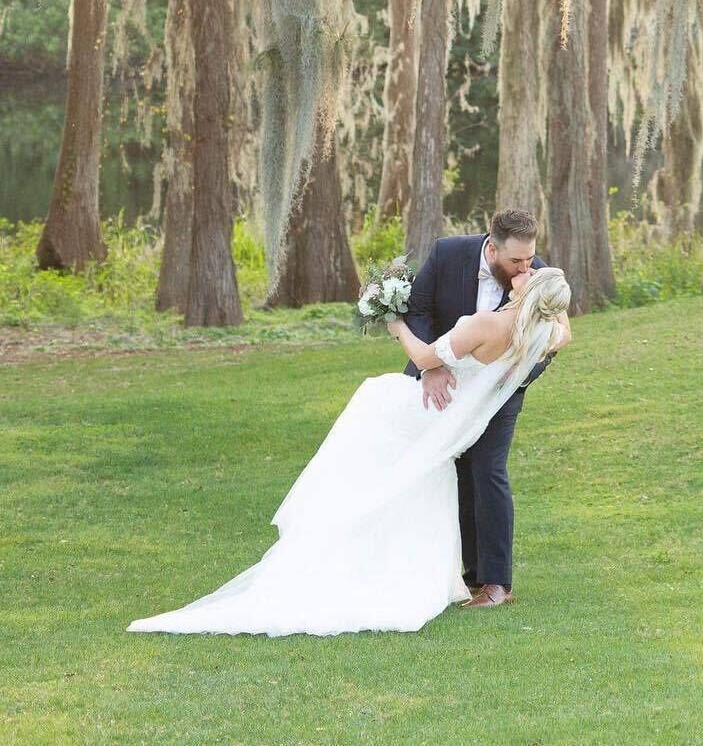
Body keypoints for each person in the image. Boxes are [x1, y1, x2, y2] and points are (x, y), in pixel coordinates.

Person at [127, 264, 572, 637]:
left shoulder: (488, 323)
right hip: (451, 422)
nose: (523, 270)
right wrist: (552, 305)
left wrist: (394, 322)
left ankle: (332, 554)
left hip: (427, 409)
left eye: (530, 273)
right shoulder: (541, 333)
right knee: (395, 477)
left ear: (530, 291)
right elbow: (563, 331)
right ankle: (392, 569)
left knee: (370, 405)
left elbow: (424, 359)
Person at [401, 207, 557, 609]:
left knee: (488, 469)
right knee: (453, 470)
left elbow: (552, 340)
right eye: (516, 260)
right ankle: (466, 575)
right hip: (442, 383)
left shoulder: (537, 276)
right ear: (492, 249)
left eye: (530, 258)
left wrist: (516, 376)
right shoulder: (447, 253)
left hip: (500, 391)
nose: (526, 268)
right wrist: (432, 368)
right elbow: (417, 310)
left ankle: (496, 583)